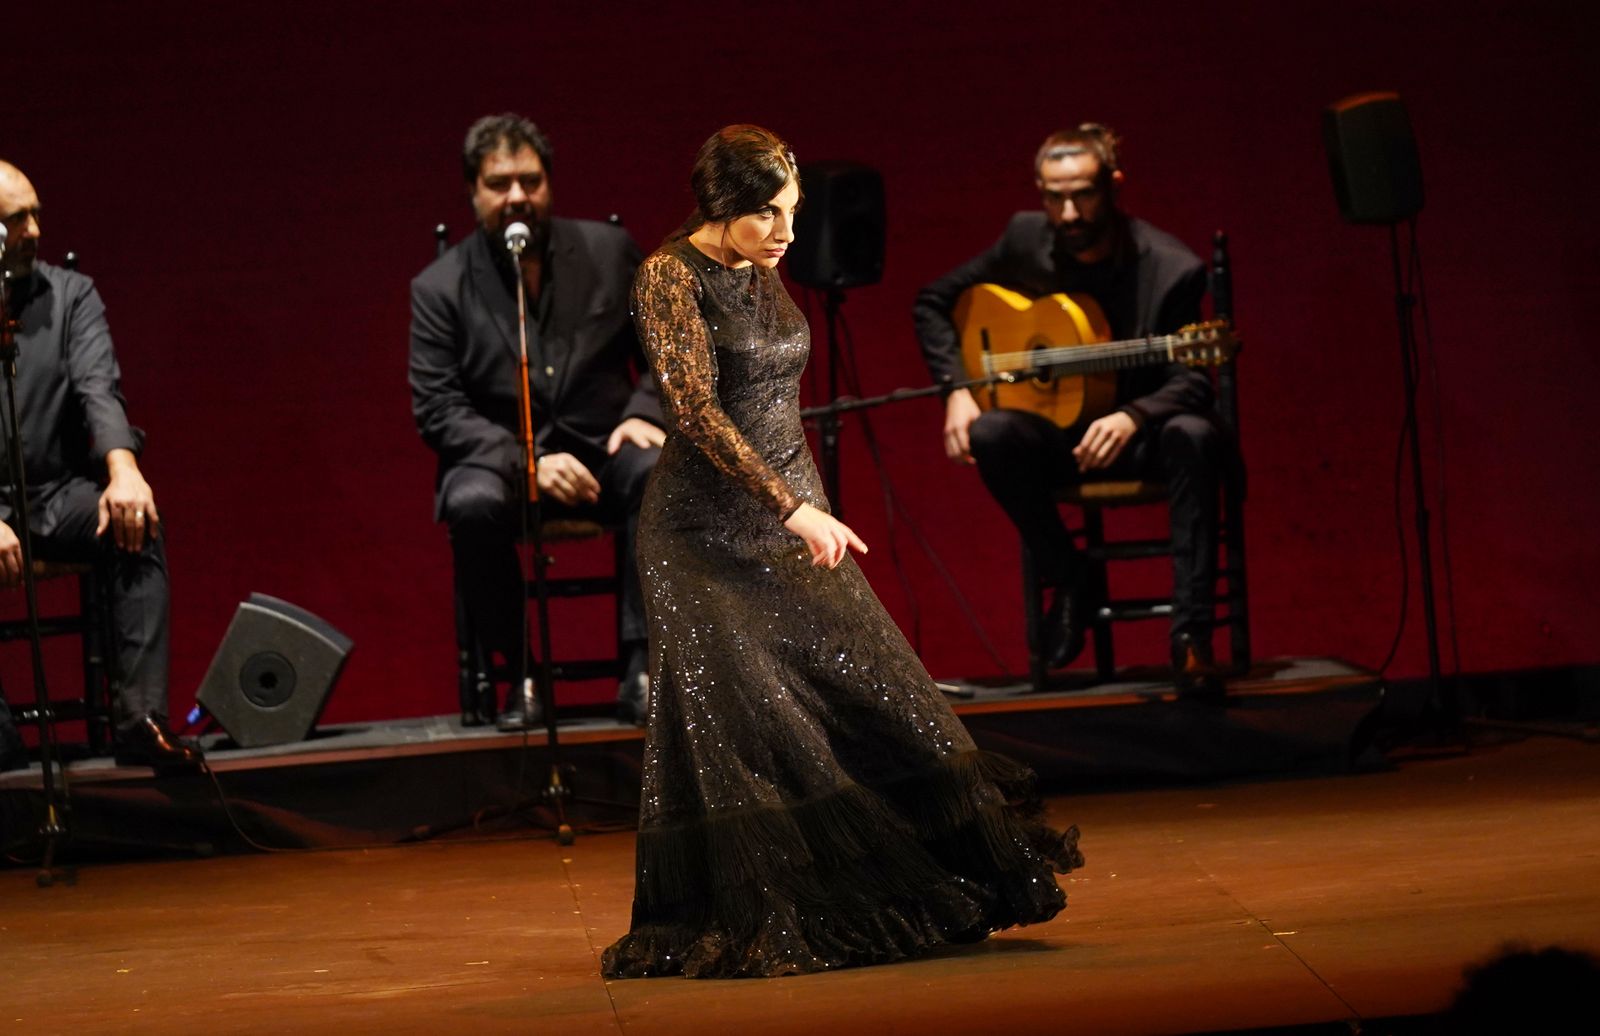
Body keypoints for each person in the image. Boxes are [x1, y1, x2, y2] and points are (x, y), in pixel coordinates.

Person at [601, 126, 1081, 980]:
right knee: (750, 730)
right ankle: (782, 913)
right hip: (701, 539)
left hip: (792, 519)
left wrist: (806, 506)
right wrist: (792, 508)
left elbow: (774, 405)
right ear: (722, 205)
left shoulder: (760, 264)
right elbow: (697, 411)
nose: (787, 232)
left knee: (887, 690)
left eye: (792, 211)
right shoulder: (670, 276)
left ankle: (931, 883)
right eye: (768, 213)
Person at [912, 123, 1233, 699]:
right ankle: (1072, 576)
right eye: (1054, 197)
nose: (1068, 213)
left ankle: (1192, 638)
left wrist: (1135, 414)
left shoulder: (1169, 269)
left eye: (1082, 195)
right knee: (992, 432)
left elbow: (1192, 379)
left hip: (1143, 438)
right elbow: (933, 301)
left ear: (1113, 186)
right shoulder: (1025, 239)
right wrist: (957, 389)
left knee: (1195, 434)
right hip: (1060, 439)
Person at [410, 114, 663, 729]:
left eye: (530, 180)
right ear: (473, 193)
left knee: (659, 470)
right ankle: (521, 672)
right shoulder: (439, 288)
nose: (517, 196)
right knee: (469, 502)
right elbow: (437, 408)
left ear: (549, 183)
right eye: (499, 184)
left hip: (605, 448)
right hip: (504, 461)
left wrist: (644, 412)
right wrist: (527, 461)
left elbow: (667, 352)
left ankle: (642, 666)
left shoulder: (610, 251)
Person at [0, 160, 199, 772]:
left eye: (36, 214)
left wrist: (124, 470)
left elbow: (99, 388)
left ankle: (140, 720)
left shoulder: (71, 295)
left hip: (53, 495)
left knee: (135, 524)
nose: (35, 230)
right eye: (17, 220)